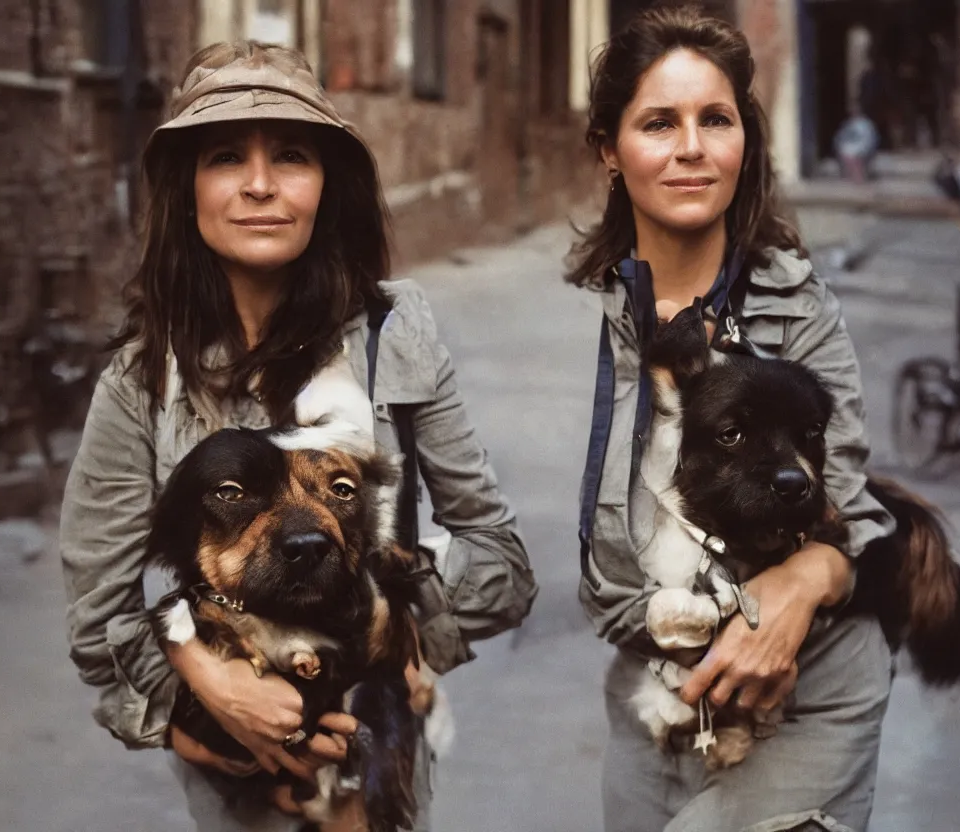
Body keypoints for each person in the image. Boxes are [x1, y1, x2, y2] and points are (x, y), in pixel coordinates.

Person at [59, 40, 537, 831]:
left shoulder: (393, 339)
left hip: (373, 746)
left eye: (290, 156)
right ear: (187, 191)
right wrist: (200, 698)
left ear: (327, 187)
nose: (258, 185)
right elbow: (96, 615)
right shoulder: (141, 382)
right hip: (234, 770)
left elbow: (501, 565)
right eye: (224, 158)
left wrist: (389, 630)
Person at [567, 6, 895, 831]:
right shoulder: (610, 315)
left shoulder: (799, 308)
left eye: (715, 119)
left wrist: (802, 580)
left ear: (743, 141)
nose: (690, 148)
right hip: (655, 700)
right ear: (610, 150)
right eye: (658, 122)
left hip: (806, 690)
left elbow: (851, 517)